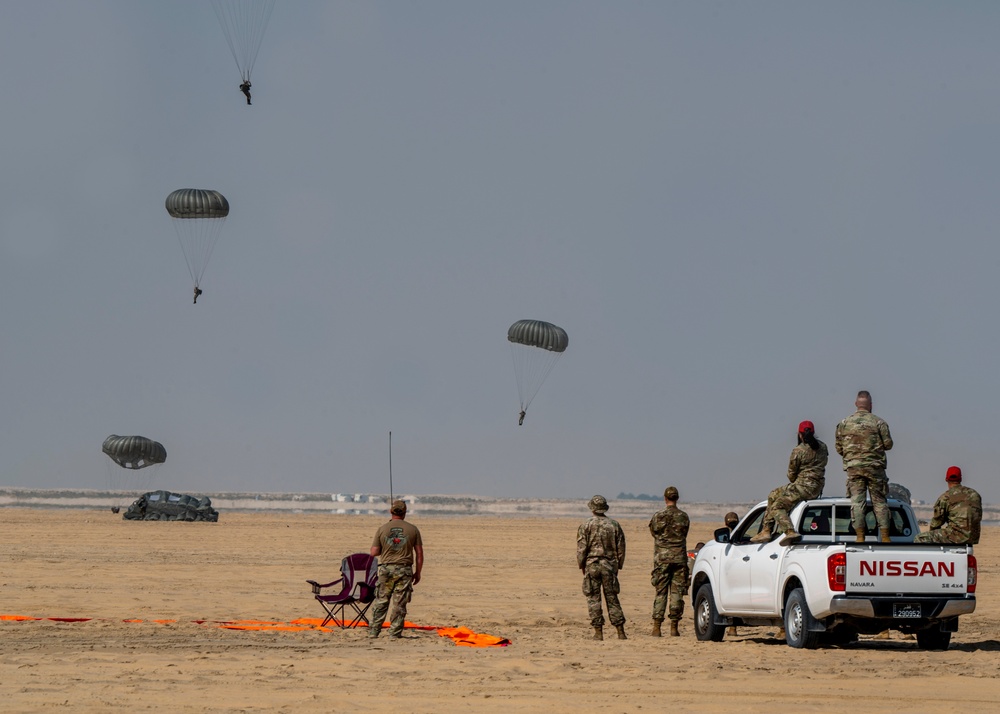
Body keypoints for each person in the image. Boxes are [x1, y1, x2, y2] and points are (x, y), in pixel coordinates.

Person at [752, 421, 828, 546]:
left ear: (800, 434)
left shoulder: (798, 450)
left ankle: (789, 531)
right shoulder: (823, 447)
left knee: (777, 506)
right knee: (773, 494)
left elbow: (791, 475)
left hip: (802, 487)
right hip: (817, 488)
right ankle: (766, 530)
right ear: (814, 433)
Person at [836, 390, 893, 543]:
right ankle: (886, 537)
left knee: (857, 502)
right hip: (875, 468)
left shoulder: (844, 423)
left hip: (854, 468)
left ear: (856, 404)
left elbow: (839, 448)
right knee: (879, 502)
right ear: (871, 405)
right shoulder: (879, 422)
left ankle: (860, 536)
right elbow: (888, 445)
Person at [367, 499, 423, 639]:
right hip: (404, 570)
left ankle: (374, 632)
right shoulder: (413, 529)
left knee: (381, 601)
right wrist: (418, 572)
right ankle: (394, 633)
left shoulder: (382, 529)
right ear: (405, 512)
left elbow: (374, 552)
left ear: (391, 511)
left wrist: (387, 548)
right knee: (399, 603)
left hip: (386, 570)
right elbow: (419, 554)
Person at [577, 495, 627, 641]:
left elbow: (581, 548)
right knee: (612, 598)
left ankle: (598, 632)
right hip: (609, 566)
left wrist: (581, 565)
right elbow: (621, 548)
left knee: (593, 598)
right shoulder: (614, 525)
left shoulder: (585, 525)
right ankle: (620, 632)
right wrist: (619, 565)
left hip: (592, 565)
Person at [649, 486, 690, 637]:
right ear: (677, 498)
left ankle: (657, 627)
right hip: (679, 558)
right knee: (677, 593)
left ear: (665, 498)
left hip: (662, 558)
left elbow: (653, 532)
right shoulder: (683, 516)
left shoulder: (658, 516)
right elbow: (684, 533)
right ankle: (674, 627)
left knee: (661, 592)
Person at [914, 466, 982, 544]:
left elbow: (936, 522)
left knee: (919, 538)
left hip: (955, 537)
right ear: (961, 479)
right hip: (973, 537)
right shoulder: (975, 495)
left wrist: (932, 534)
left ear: (946, 479)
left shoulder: (945, 497)